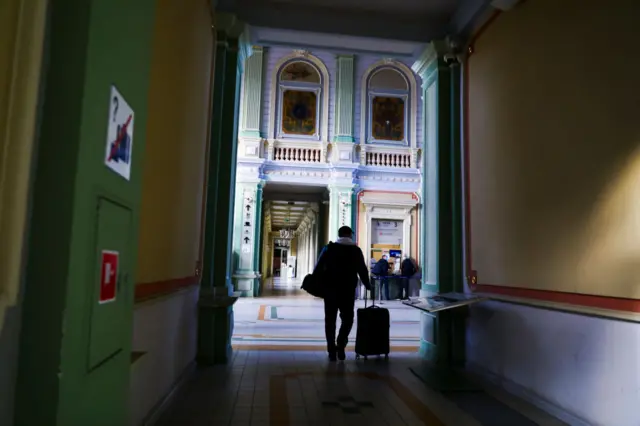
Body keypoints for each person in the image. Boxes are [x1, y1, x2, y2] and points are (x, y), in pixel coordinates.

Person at [314, 226, 371, 361]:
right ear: (350, 235)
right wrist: (367, 285)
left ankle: (331, 351)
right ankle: (341, 344)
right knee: (348, 319)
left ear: (338, 235)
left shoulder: (329, 248)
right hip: (348, 291)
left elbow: (318, 268)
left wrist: (317, 284)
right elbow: (362, 269)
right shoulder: (356, 250)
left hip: (330, 290)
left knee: (330, 321)